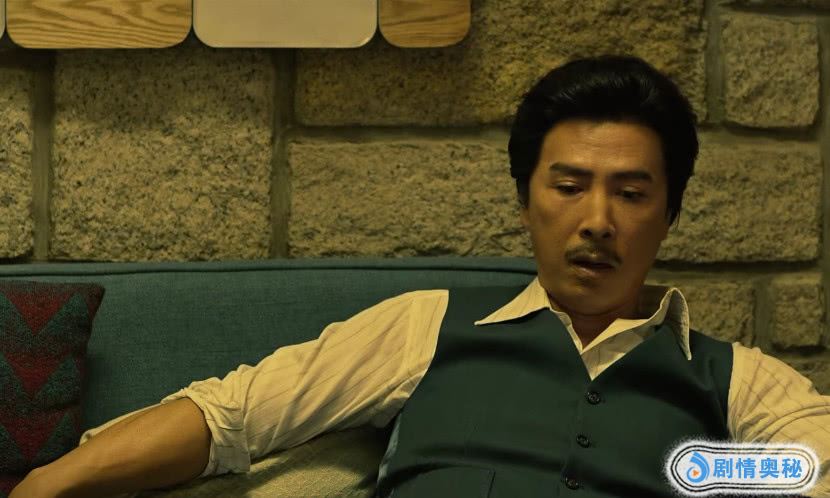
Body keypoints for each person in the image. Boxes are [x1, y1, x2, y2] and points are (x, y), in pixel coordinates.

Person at [11, 55, 830, 498]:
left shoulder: (737, 383)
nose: (597, 220)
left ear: (670, 212)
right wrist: (49, 485)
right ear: (526, 202)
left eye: (632, 193)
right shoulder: (425, 326)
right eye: (569, 185)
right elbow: (236, 416)